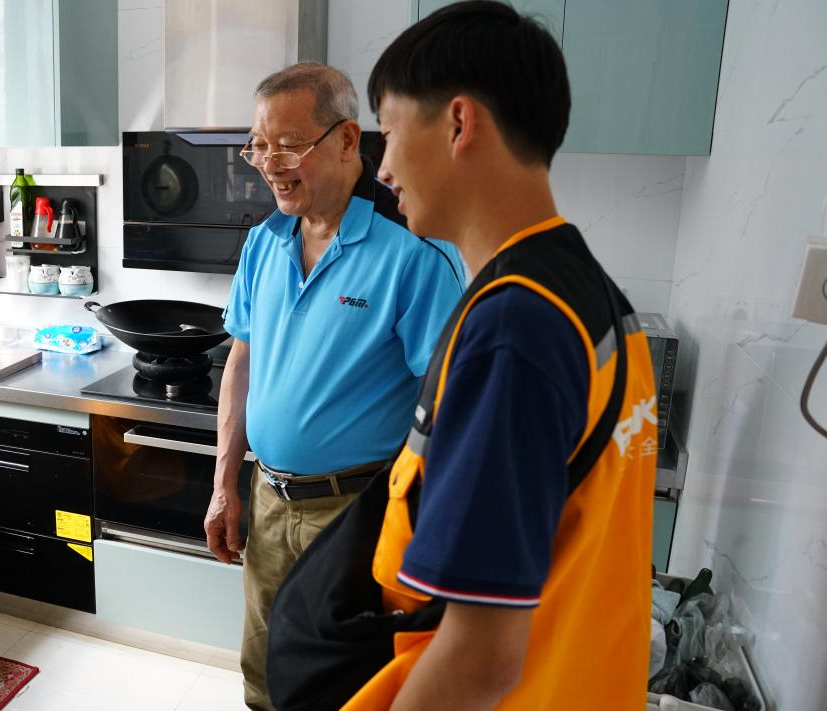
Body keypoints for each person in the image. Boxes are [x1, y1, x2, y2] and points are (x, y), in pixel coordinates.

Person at [264, 3, 659, 710]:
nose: (384, 168)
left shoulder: (515, 327)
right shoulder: (588, 293)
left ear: (457, 123)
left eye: (391, 131)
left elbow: (481, 658)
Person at [203, 62, 466, 710]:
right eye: (258, 146)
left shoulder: (413, 252)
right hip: (267, 499)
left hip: (356, 512)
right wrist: (224, 483)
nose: (269, 164)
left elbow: (451, 407)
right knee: (264, 674)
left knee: (342, 685)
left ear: (348, 140)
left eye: (289, 145)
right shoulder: (264, 242)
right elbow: (240, 363)